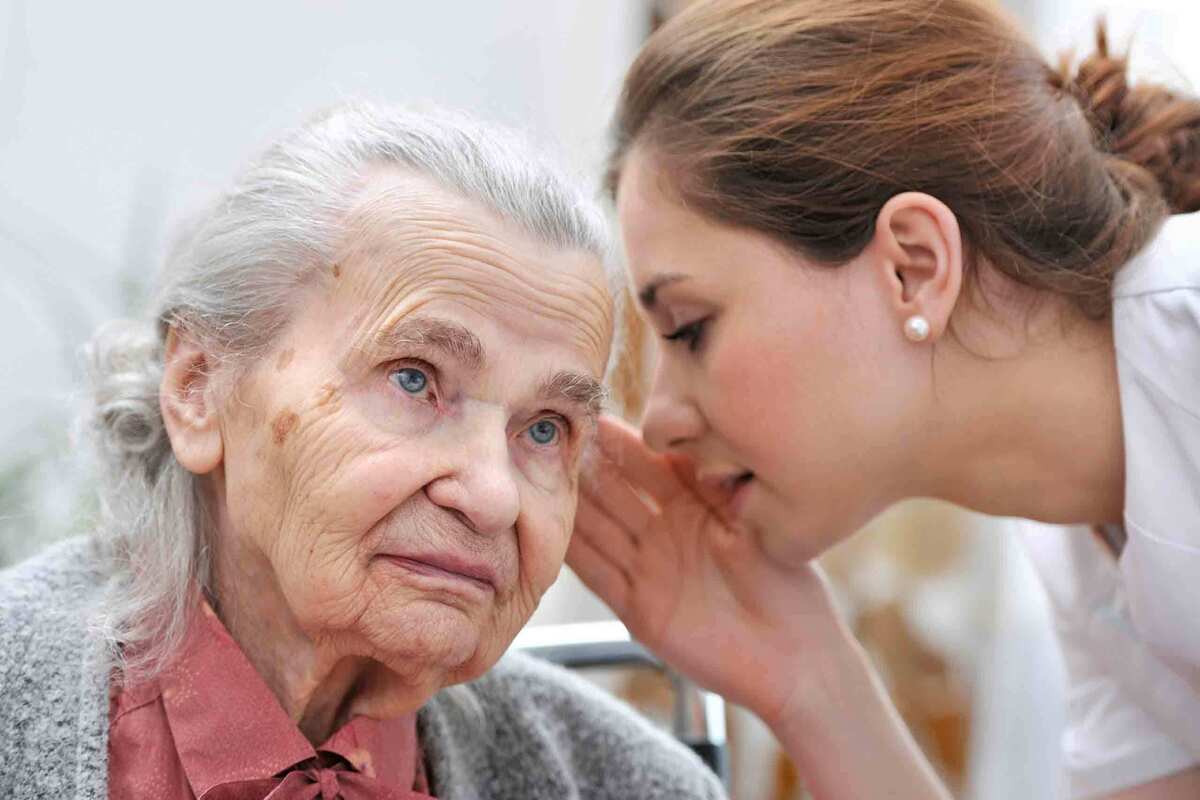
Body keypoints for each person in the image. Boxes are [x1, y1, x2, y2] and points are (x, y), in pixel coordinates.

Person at [0, 102, 726, 800]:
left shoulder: (630, 783)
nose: (493, 495)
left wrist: (790, 687)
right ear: (200, 388)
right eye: (414, 379)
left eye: (545, 428)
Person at [566, 1, 1200, 797]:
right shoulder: (1087, 542)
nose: (659, 421)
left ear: (915, 266)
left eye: (691, 328)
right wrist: (813, 683)